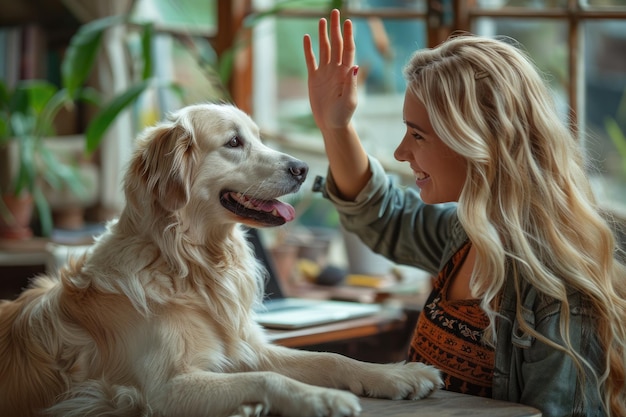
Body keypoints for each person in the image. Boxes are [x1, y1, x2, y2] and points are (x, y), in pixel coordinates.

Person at [302, 9, 626, 417]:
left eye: (418, 134)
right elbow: (383, 217)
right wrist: (335, 127)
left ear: (477, 143)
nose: (402, 152)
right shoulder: (467, 234)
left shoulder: (557, 294)